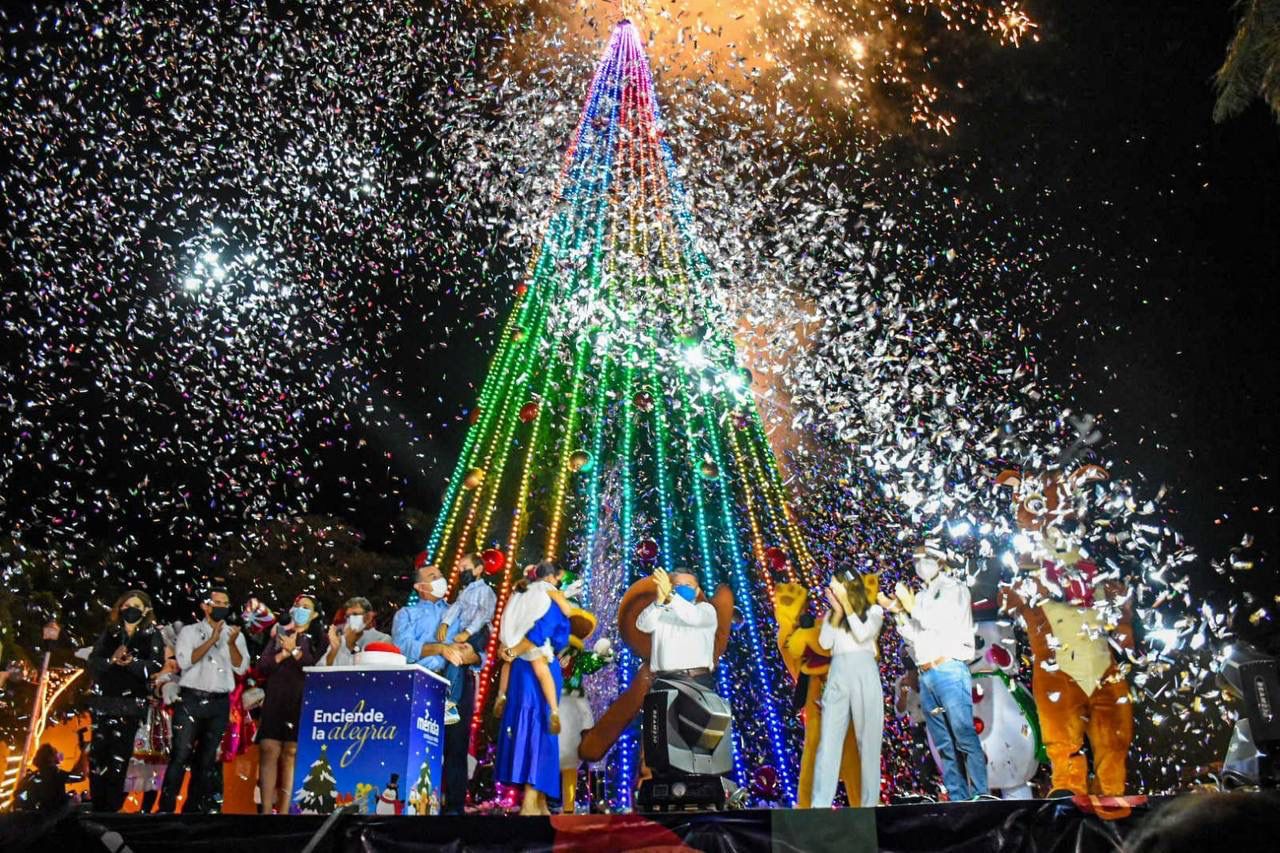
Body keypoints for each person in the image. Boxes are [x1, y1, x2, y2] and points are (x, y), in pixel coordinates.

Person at [879, 545, 988, 801]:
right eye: (916, 561)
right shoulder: (924, 596)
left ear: (940, 561)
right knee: (944, 743)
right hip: (927, 676)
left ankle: (982, 795)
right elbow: (916, 635)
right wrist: (898, 613)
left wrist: (910, 605)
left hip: (949, 670)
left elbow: (940, 620)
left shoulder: (954, 589)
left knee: (963, 734)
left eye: (925, 560)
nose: (920, 565)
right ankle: (959, 798)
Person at [392, 562, 482, 815]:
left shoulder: (459, 611)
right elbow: (402, 646)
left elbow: (481, 652)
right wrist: (440, 648)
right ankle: (416, 806)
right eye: (432, 576)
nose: (440, 579)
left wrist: (469, 655)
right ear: (419, 586)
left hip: (456, 681)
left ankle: (454, 809)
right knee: (419, 741)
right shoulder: (406, 614)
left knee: (456, 745)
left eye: (441, 575)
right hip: (421, 681)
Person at [158, 587, 249, 814]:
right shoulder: (189, 632)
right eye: (216, 602)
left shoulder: (234, 634)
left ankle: (193, 810)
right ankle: (166, 809)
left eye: (225, 603)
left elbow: (241, 667)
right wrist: (212, 640)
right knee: (180, 755)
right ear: (205, 605)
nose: (221, 607)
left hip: (219, 703)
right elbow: (186, 661)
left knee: (206, 760)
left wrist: (229, 643)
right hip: (191, 699)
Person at [495, 559, 571, 815]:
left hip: (516, 665)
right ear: (552, 577)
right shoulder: (550, 596)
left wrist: (510, 649)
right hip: (539, 662)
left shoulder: (520, 594)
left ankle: (537, 801)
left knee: (522, 724)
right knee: (541, 726)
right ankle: (530, 798)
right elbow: (550, 632)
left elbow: (507, 629)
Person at [85, 589, 167, 812]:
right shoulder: (110, 633)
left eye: (137, 606)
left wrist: (132, 663)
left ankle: (111, 807)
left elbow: (155, 665)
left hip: (131, 707)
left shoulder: (151, 636)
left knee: (119, 758)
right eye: (127, 605)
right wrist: (111, 660)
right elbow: (94, 662)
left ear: (146, 610)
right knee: (97, 755)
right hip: (104, 702)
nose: (131, 609)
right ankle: (97, 803)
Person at [811, 575, 884, 808]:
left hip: (864, 669)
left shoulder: (873, 611)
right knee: (829, 740)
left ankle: (869, 804)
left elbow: (864, 634)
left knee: (868, 740)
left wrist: (848, 607)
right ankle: (820, 804)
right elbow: (824, 643)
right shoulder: (834, 614)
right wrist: (837, 613)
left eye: (836, 585)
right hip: (838, 671)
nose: (832, 590)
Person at [255, 594, 322, 814]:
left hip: (301, 698)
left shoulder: (317, 637)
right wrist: (283, 653)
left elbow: (312, 665)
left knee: (291, 752)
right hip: (276, 696)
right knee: (269, 748)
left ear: (314, 614)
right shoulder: (279, 633)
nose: (300, 610)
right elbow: (263, 666)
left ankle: (284, 812)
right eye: (297, 606)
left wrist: (294, 651)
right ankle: (266, 810)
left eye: (306, 607)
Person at [494, 564, 577, 733]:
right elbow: (567, 611)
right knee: (541, 670)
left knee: (507, 665)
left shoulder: (523, 588)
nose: (557, 582)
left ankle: (501, 695)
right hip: (530, 636)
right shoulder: (548, 588)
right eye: (556, 578)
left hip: (513, 635)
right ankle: (554, 711)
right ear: (549, 577)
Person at [436, 554, 497, 724]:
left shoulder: (485, 591)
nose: (461, 571)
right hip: (465, 632)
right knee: (455, 660)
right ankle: (451, 703)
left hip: (479, 632)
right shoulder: (465, 592)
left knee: (456, 657)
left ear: (478, 569)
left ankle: (451, 701)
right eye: (459, 568)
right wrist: (445, 623)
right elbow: (457, 607)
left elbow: (484, 614)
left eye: (465, 567)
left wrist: (468, 633)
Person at [636, 568, 718, 687]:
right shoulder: (661, 611)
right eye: (678, 585)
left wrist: (670, 595)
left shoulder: (706, 610)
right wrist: (659, 601)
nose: (683, 588)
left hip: (696, 681)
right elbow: (643, 626)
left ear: (697, 591)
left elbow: (693, 617)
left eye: (688, 585)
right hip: (663, 681)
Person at [322, 596, 391, 666]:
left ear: (368, 617)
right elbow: (321, 670)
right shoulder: (339, 640)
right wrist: (333, 651)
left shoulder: (383, 639)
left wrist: (351, 646)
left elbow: (371, 670)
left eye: (355, 614)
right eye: (348, 616)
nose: (351, 619)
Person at [14, 744, 81, 812]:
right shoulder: (54, 773)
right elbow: (79, 776)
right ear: (50, 757)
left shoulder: (33, 776)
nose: (58, 755)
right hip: (54, 817)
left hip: (37, 818)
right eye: (55, 753)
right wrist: (85, 751)